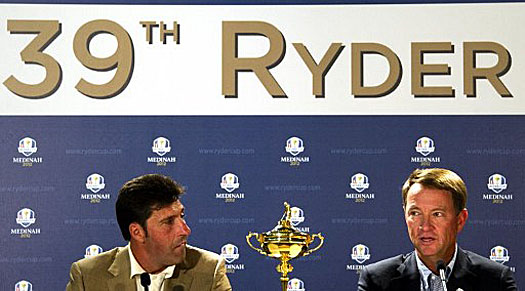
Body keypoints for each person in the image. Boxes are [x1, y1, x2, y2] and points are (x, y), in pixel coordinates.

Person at [358, 168, 517, 291]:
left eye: (437, 214)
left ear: (460, 220)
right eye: (415, 213)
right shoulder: (377, 280)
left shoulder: (495, 280)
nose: (425, 226)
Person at [66, 174, 232, 291]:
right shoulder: (88, 276)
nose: (185, 230)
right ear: (137, 232)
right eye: (168, 222)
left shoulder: (209, 271)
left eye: (182, 216)